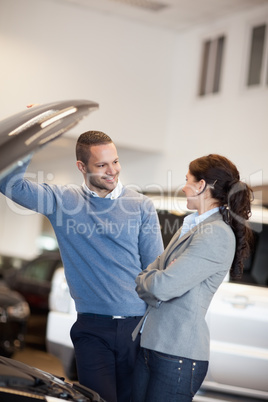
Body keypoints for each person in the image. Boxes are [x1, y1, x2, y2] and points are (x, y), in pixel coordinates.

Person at [0, 130, 164, 402]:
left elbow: (154, 270)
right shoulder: (63, 200)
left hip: (136, 329)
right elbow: (10, 185)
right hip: (92, 329)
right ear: (81, 167)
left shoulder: (141, 205)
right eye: (102, 165)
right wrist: (32, 140)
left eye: (115, 161)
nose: (112, 171)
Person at [131, 154, 253, 402]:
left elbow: (163, 286)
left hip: (176, 354)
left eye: (187, 180)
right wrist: (155, 276)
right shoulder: (192, 226)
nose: (183, 186)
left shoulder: (216, 234)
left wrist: (155, 278)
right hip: (152, 343)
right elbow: (148, 273)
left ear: (201, 185)